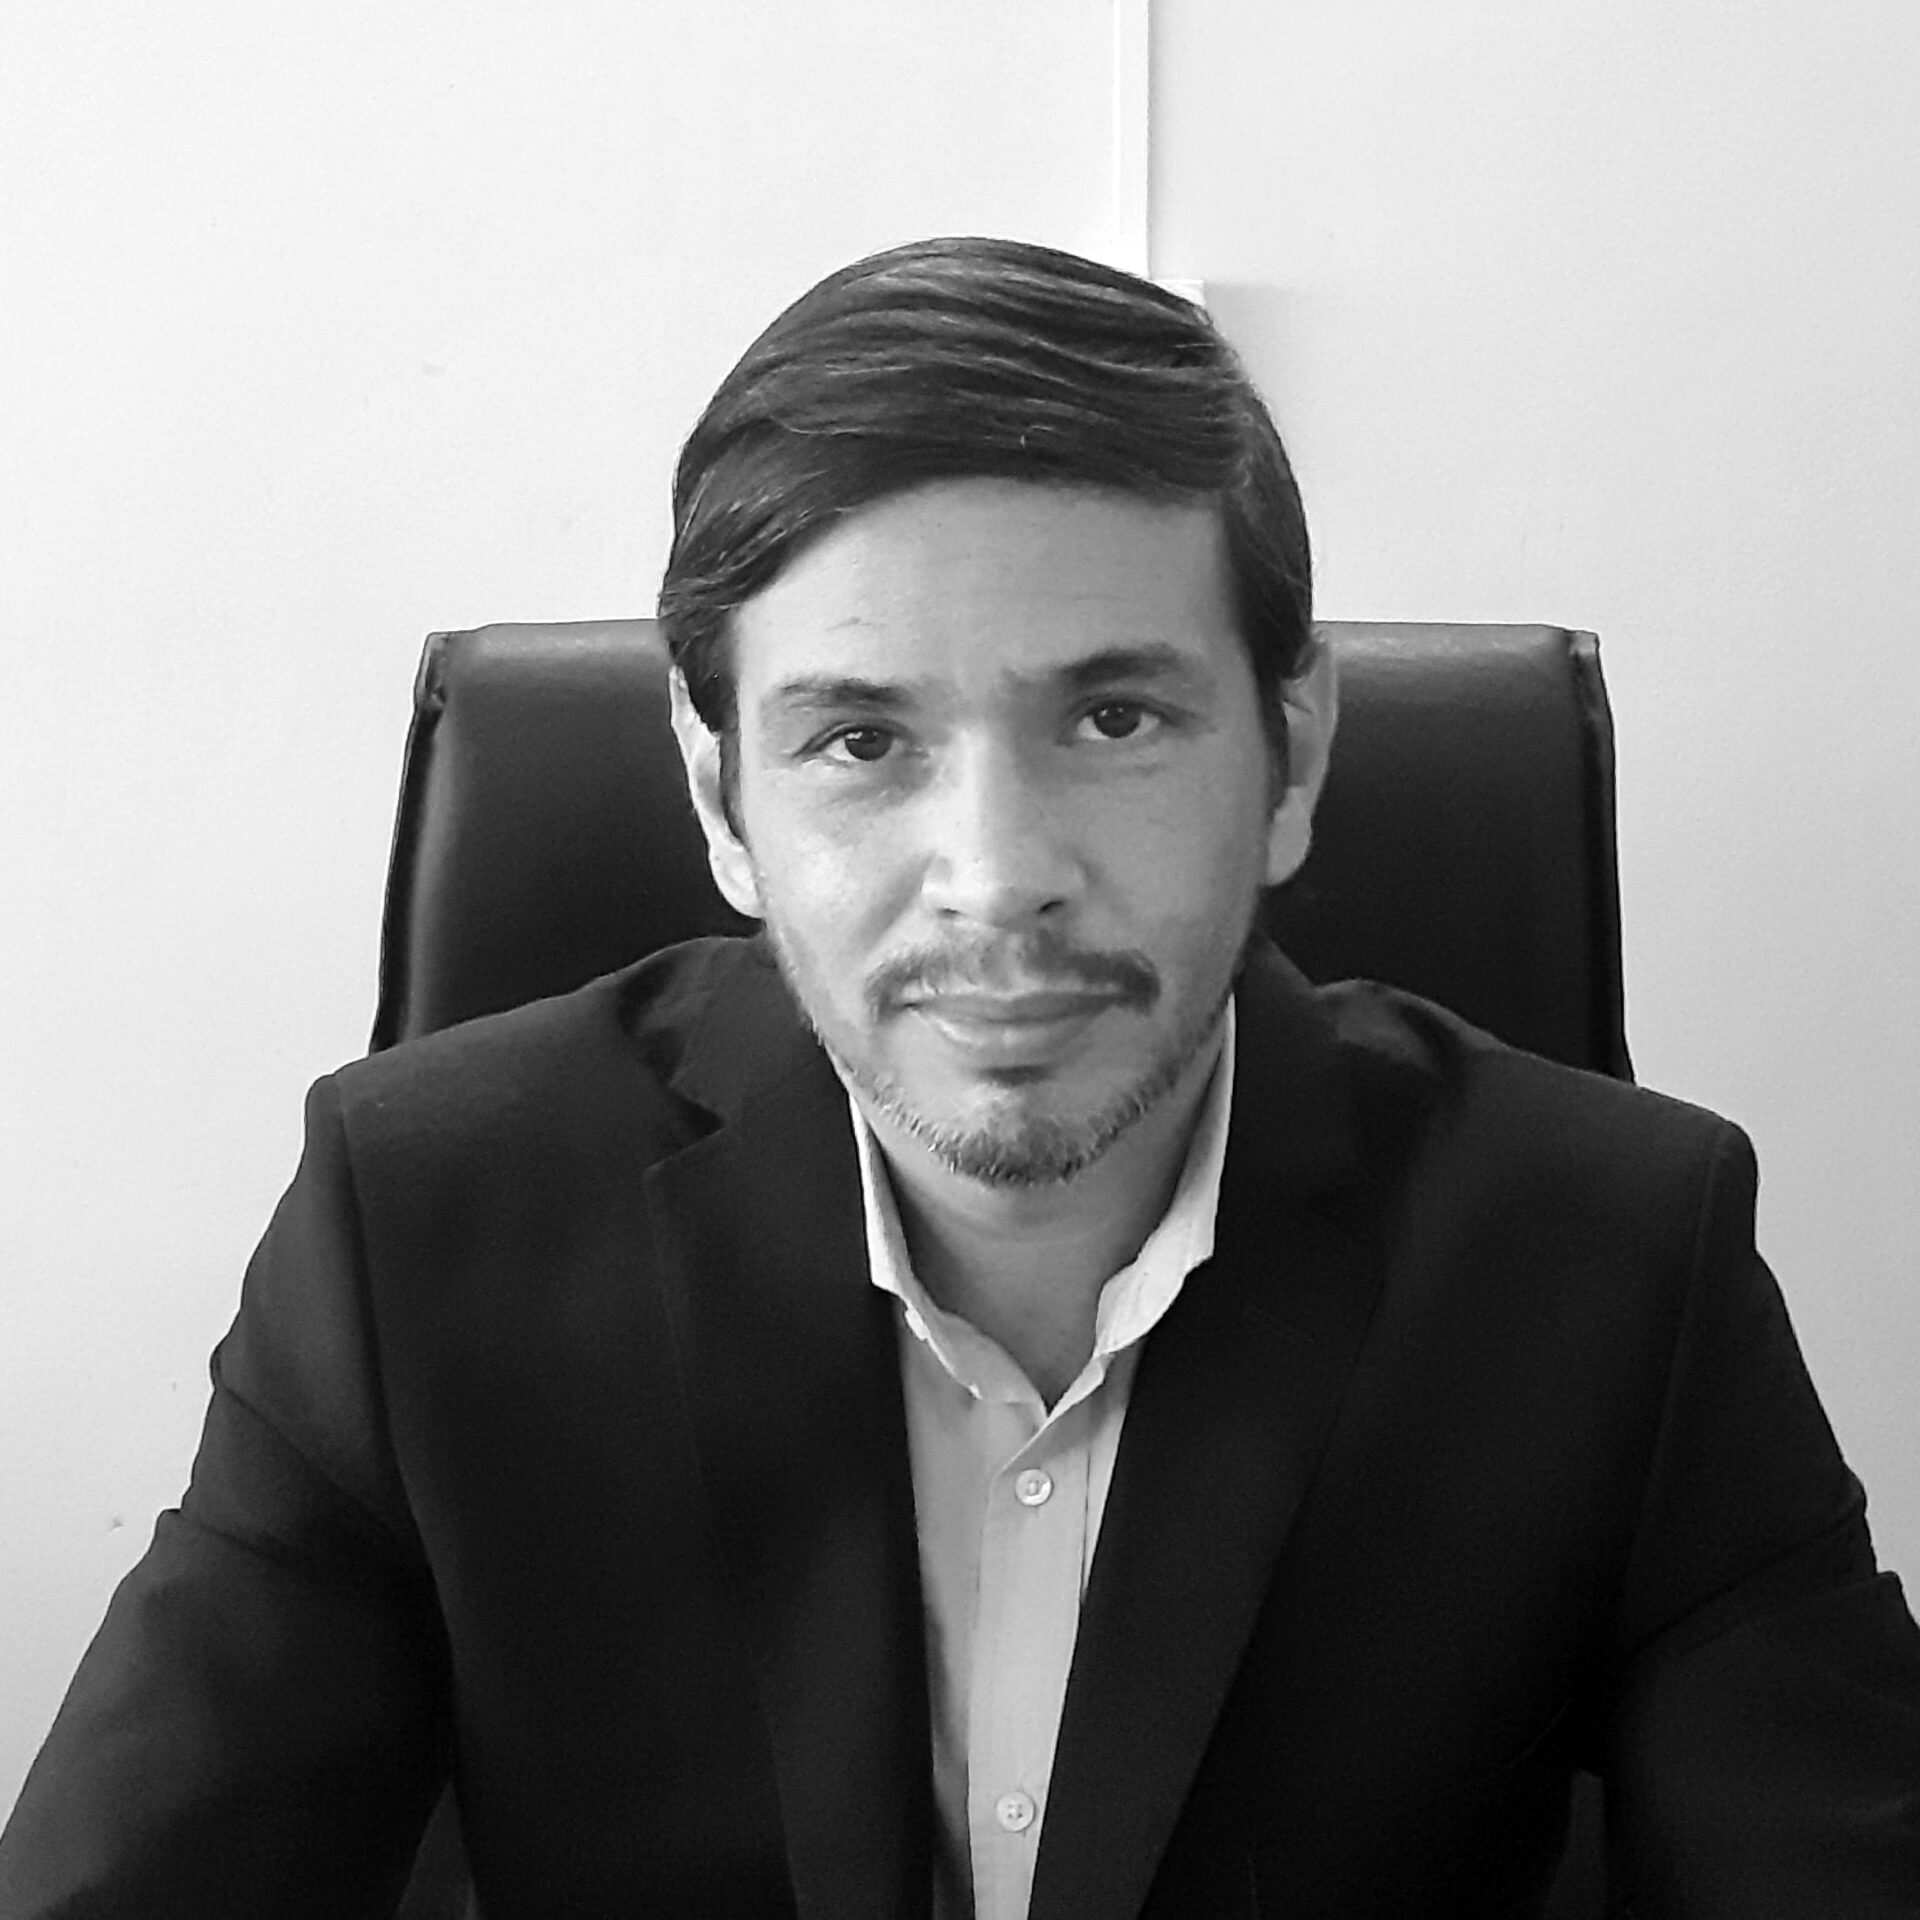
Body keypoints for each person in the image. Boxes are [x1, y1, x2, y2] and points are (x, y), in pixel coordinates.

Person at [3, 237, 1917, 1920]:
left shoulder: (1612, 1261)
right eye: (861, 741)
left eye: (1115, 716)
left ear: (1295, 752)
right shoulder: (421, 1231)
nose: (998, 875)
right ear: (720, 801)